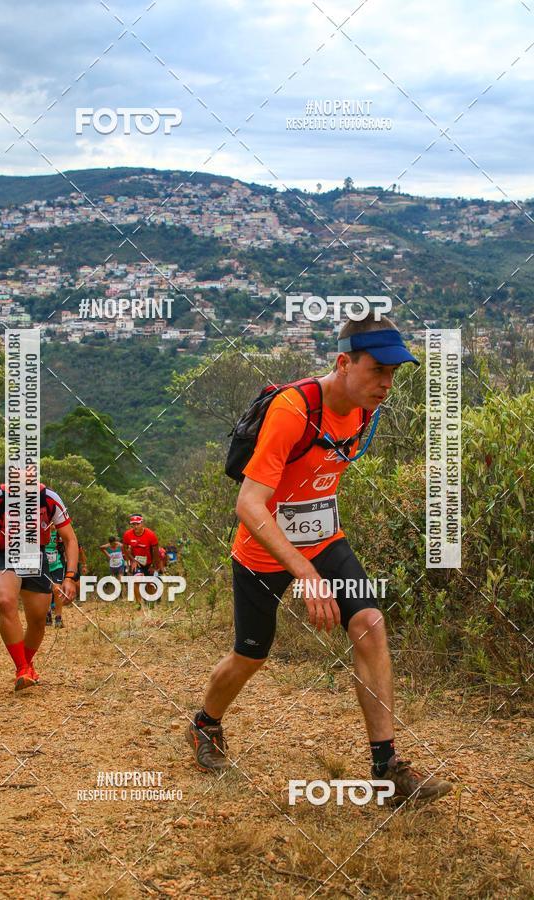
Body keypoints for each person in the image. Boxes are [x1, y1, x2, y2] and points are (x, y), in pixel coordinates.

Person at [186, 313, 452, 805]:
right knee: (251, 653)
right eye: (377, 371)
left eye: (394, 374)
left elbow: (318, 477)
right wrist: (306, 576)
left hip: (326, 541)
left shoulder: (364, 408)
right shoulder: (293, 410)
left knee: (370, 623)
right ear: (343, 362)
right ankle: (205, 723)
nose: (386, 385)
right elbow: (249, 504)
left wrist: (317, 556)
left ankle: (387, 769)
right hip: (263, 551)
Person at [0, 482, 79, 690]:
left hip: (34, 555)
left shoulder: (49, 499)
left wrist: (70, 576)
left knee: (38, 619)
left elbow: (69, 539)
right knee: (5, 600)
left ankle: (27, 664)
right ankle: (21, 669)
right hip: (3, 555)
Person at [122, 515, 160, 607]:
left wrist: (154, 566)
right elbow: (124, 548)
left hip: (149, 562)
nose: (135, 526)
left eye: (138, 524)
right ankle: (138, 604)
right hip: (137, 562)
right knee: (136, 580)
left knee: (149, 583)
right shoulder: (127, 534)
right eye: (133, 524)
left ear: (142, 523)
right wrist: (132, 560)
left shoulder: (151, 534)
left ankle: (150, 602)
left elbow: (156, 551)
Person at [45, 525, 65, 628]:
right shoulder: (41, 531)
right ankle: (47, 614)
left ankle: (58, 618)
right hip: (44, 566)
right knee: (46, 591)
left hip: (57, 565)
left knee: (57, 590)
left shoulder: (60, 533)